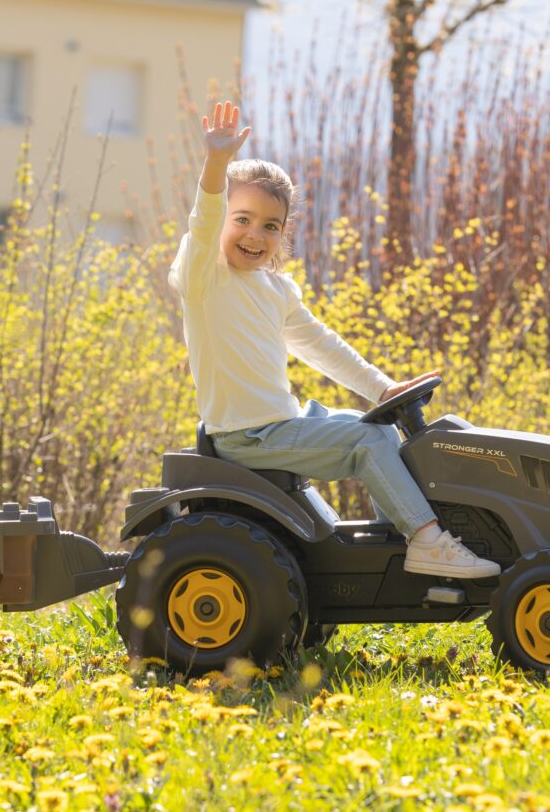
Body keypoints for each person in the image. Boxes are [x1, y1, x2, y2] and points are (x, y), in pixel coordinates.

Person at [168, 100, 500, 579]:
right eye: (241, 218)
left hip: (281, 421)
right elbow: (202, 226)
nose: (254, 235)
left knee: (381, 429)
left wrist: (384, 390)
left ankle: (400, 540)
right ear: (222, 217)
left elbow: (321, 346)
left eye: (270, 225)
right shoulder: (204, 280)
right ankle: (428, 540)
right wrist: (217, 163)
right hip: (247, 435)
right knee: (365, 442)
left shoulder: (276, 289)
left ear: (283, 235)